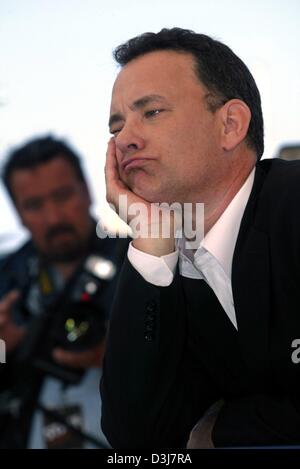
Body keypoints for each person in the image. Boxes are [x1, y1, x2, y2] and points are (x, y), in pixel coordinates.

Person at [100, 27, 300, 448]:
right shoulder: (159, 268)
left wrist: (224, 430)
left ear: (230, 125)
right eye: (117, 125)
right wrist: (152, 243)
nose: (125, 139)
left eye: (150, 112)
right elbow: (138, 442)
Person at [0, 135, 128, 448]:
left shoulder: (144, 264)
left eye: (62, 196)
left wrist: (126, 353)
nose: (54, 218)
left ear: (86, 190)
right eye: (34, 205)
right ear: (16, 212)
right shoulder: (5, 280)